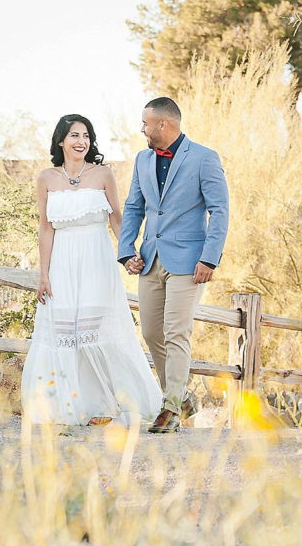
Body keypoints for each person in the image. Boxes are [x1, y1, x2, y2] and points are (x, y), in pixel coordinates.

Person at [18, 114, 163, 428]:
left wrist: (128, 254)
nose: (81, 141)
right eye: (73, 135)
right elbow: (45, 229)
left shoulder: (103, 175)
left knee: (93, 330)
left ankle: (105, 404)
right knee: (65, 331)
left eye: (85, 135)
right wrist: (43, 274)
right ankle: (66, 405)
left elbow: (117, 220)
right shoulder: (45, 178)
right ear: (61, 140)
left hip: (96, 259)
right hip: (61, 262)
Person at [118, 97, 230, 433]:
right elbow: (134, 207)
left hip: (190, 262)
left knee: (176, 331)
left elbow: (220, 210)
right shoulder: (142, 159)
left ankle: (169, 409)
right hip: (150, 258)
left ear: (164, 125)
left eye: (145, 123)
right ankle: (181, 397)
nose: (142, 129)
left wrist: (210, 257)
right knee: (152, 332)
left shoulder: (204, 158)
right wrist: (126, 250)